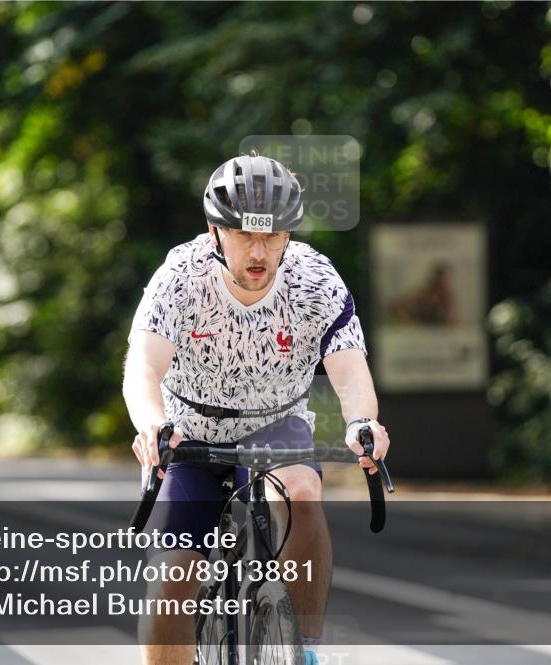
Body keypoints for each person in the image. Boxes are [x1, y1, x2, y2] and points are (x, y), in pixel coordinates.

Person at [122, 152, 391, 665]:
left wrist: (362, 421)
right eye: (245, 235)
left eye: (273, 237)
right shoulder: (180, 276)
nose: (260, 252)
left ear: (289, 233)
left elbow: (350, 368)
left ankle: (304, 650)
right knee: (170, 585)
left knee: (305, 490)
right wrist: (151, 422)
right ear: (214, 230)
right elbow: (144, 367)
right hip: (191, 433)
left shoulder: (315, 279)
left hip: (276, 423)